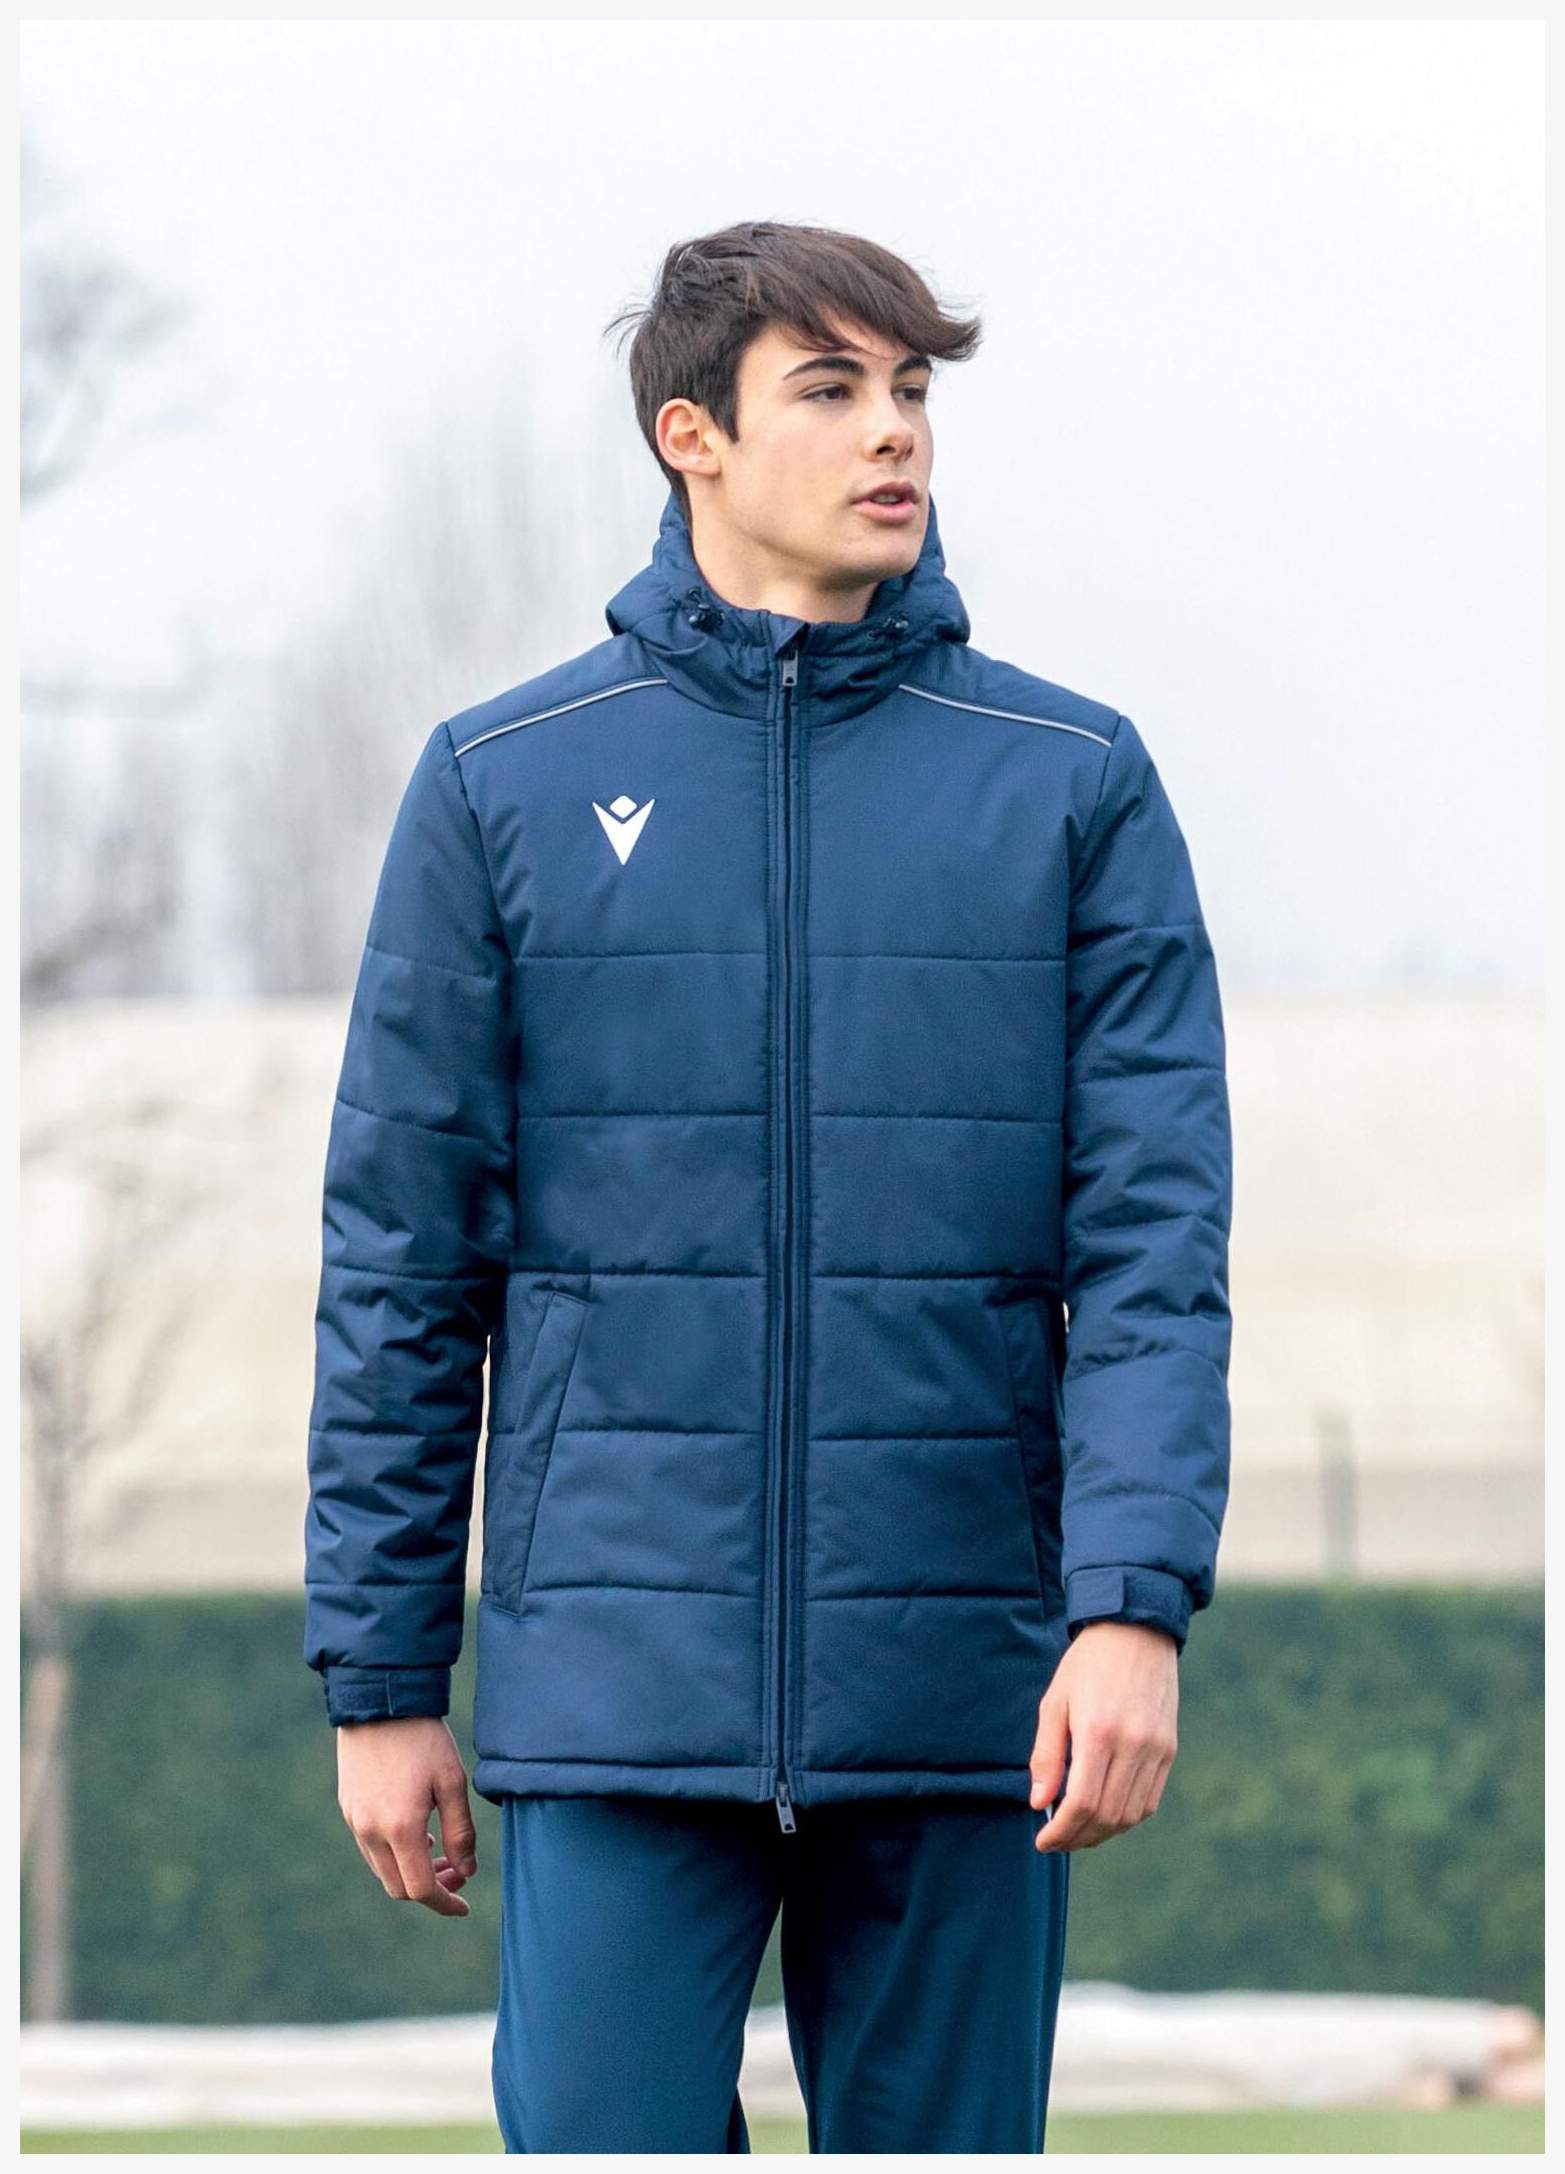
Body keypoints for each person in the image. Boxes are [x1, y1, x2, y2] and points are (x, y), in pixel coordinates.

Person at [304, 219, 1233, 2154]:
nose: (893, 432)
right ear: (691, 436)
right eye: (830, 387)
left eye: (910, 388)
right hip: (612, 1688)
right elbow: (403, 1264)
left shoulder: (1070, 780)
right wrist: (382, 1675)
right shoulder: (501, 782)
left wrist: (1129, 1608)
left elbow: (1154, 1250)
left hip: (966, 1691)